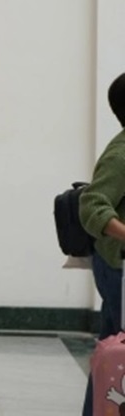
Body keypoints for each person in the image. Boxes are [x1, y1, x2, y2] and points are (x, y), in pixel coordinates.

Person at [81, 72, 125, 415]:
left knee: (112, 350)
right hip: (118, 266)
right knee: (116, 352)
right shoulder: (122, 151)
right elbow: (92, 205)